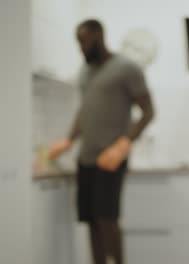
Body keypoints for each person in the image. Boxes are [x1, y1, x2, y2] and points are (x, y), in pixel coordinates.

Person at [49, 19, 154, 264]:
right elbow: (84, 111)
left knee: (108, 218)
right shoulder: (85, 72)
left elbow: (148, 111)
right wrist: (69, 139)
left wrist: (124, 144)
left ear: (98, 37)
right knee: (91, 219)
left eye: (83, 41)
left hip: (111, 156)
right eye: (78, 43)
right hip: (85, 156)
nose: (81, 47)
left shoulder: (127, 68)